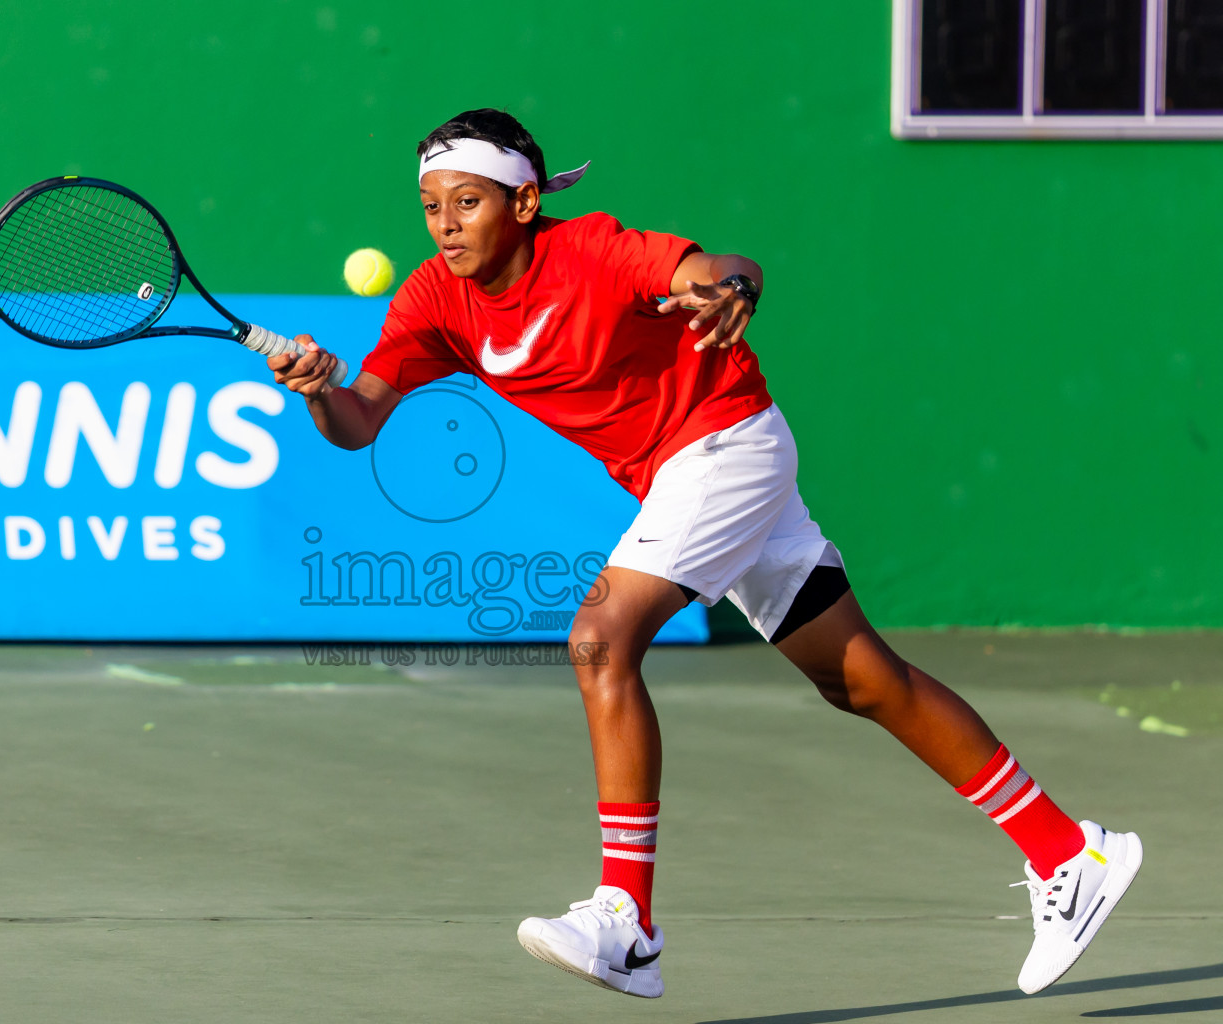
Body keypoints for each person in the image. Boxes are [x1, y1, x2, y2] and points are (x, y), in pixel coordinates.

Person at [268, 108, 1141, 1000]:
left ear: (524, 203)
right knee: (862, 679)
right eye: (430, 206)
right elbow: (360, 419)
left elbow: (723, 267)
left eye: (467, 202)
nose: (445, 224)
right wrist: (318, 390)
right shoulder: (434, 299)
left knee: (600, 635)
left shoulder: (595, 253)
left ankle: (627, 922)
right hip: (689, 474)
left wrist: (730, 291)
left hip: (726, 445)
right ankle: (1071, 852)